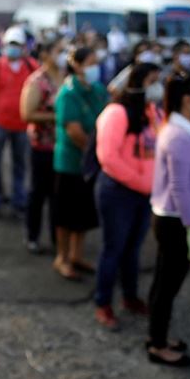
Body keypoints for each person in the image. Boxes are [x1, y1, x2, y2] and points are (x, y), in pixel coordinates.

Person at [146, 74, 190, 367]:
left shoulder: (182, 130)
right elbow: (180, 186)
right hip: (176, 220)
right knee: (166, 285)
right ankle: (158, 345)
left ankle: (158, 335)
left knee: (165, 282)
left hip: (177, 217)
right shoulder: (177, 135)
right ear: (188, 99)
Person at [93, 63, 163, 330]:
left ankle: (130, 297)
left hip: (144, 195)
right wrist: (139, 182)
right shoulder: (116, 113)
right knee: (114, 249)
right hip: (118, 193)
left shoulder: (152, 112)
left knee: (133, 249)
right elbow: (108, 158)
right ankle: (103, 303)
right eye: (153, 81)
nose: (157, 87)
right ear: (138, 83)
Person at [52, 46, 108, 281]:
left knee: (83, 213)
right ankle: (62, 258)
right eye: (91, 62)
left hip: (90, 164)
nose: (96, 67)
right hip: (70, 163)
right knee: (65, 214)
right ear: (77, 64)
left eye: (97, 62)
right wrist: (96, 152)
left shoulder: (96, 89)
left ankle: (77, 255)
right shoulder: (69, 92)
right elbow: (74, 131)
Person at [0, 26, 38, 222]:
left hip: (22, 126)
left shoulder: (32, 66)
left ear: (23, 47)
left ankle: (18, 202)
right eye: (10, 44)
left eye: (17, 45)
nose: (13, 48)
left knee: (20, 166)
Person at [20, 39, 64, 253]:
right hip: (42, 146)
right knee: (38, 193)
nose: (63, 55)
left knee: (59, 197)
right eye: (59, 51)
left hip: (63, 147)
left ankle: (58, 239)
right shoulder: (37, 81)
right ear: (45, 54)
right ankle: (33, 236)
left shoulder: (67, 78)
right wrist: (58, 117)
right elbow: (27, 113)